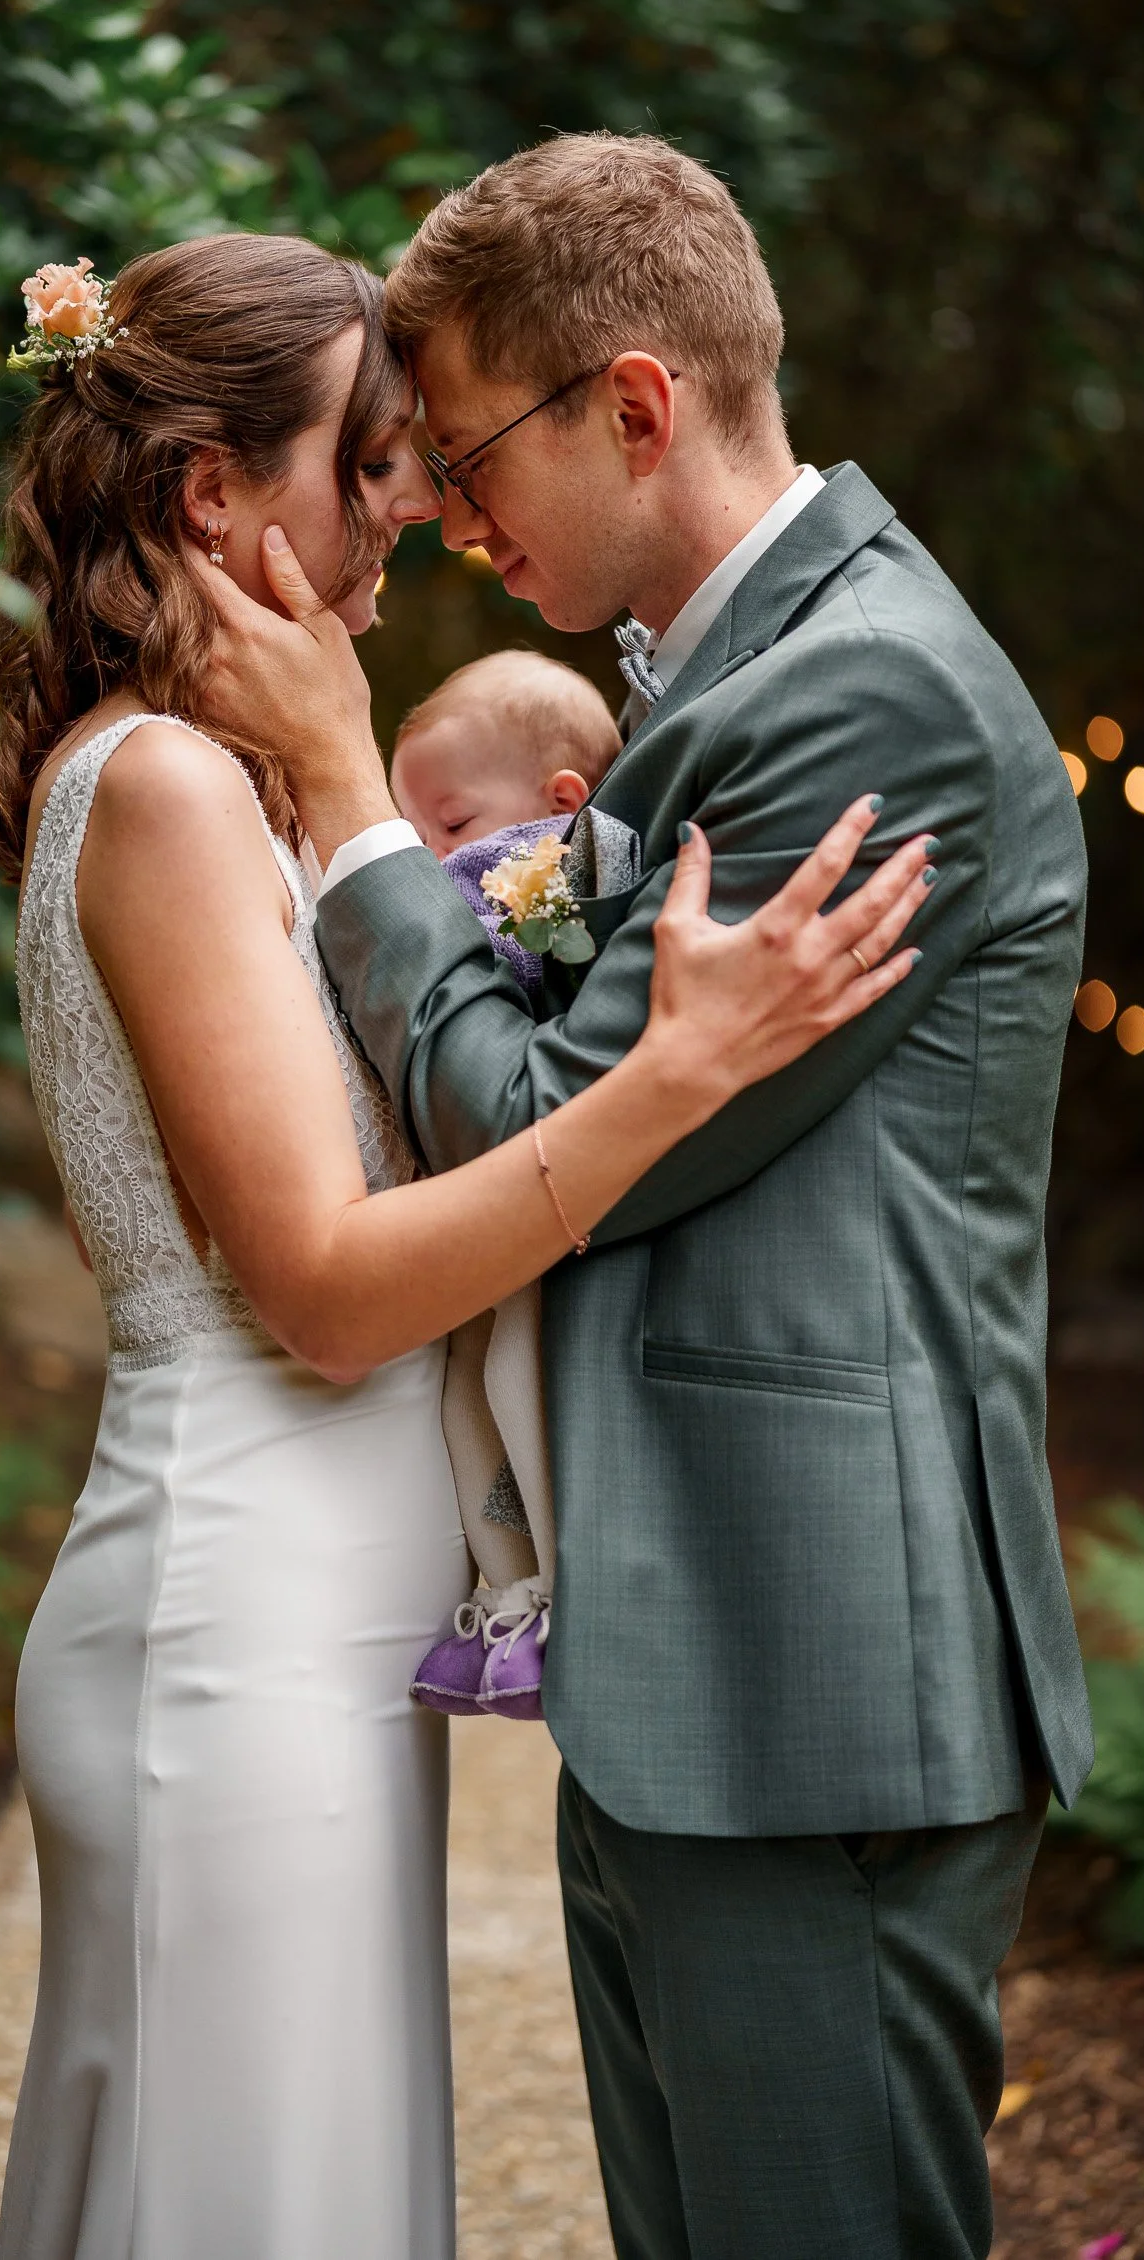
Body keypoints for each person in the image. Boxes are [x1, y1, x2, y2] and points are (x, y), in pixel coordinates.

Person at [0, 228, 931, 2260]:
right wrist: (665, 1076)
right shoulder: (153, 786)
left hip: (296, 1638)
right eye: (367, 457)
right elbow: (322, 1289)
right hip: (228, 1635)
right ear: (209, 492)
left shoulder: (219, 787)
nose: (408, 499)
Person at [198, 135, 1096, 2260]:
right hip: (691, 1661)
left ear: (629, 403)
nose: (434, 503)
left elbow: (551, 1132)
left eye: (463, 442)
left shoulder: (855, 690)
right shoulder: (721, 674)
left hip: (816, 1689)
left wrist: (343, 794)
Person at [393, 654, 622, 1716]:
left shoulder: (545, 874)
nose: (431, 855)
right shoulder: (499, 873)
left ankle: (562, 1596)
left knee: (512, 1375)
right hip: (479, 1204)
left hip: (535, 1197)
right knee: (464, 1385)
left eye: (446, 822)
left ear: (557, 803)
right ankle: (505, 1591)